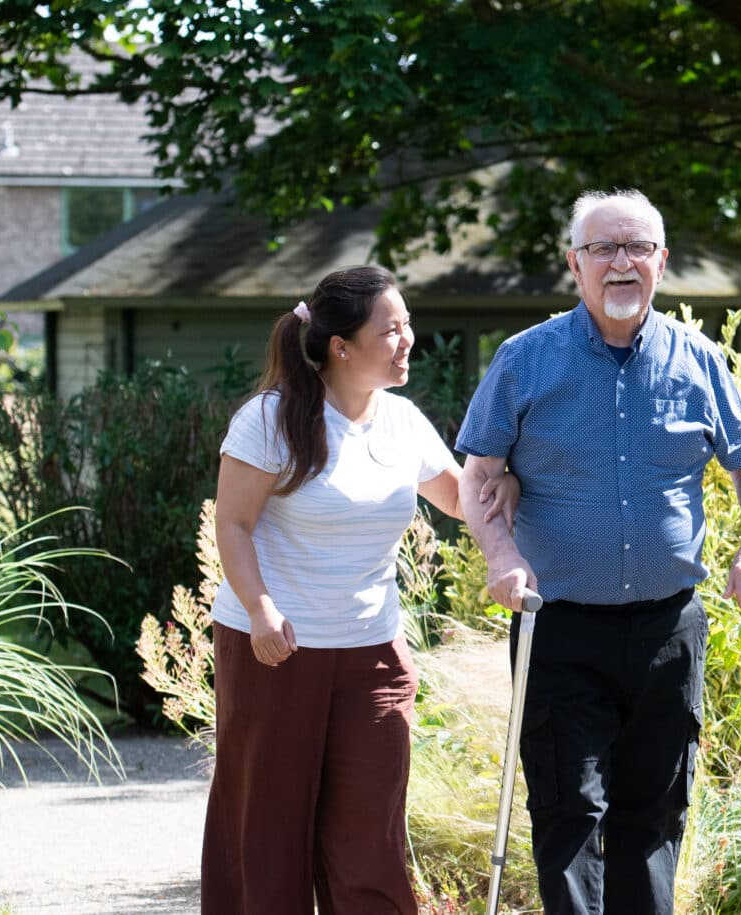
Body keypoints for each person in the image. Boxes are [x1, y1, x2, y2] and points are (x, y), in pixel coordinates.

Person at [455, 189, 741, 914]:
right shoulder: (524, 360)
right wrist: (501, 556)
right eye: (604, 248)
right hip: (559, 626)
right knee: (569, 811)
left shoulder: (698, 361)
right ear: (576, 265)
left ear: (662, 263)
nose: (621, 262)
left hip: (669, 628)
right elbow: (479, 474)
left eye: (637, 248)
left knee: (656, 816)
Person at [202, 265, 519, 915]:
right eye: (392, 328)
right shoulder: (271, 419)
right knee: (267, 831)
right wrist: (260, 610)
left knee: (367, 836)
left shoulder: (401, 422)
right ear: (341, 346)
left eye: (408, 325)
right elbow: (232, 523)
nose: (409, 339)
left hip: (371, 653)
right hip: (274, 651)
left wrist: (503, 482)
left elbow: (458, 497)